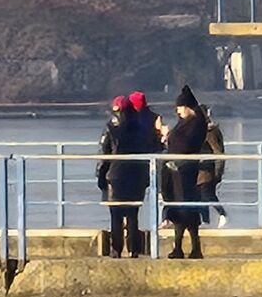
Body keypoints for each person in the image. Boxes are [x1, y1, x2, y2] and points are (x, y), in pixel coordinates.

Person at [96, 95, 160, 257]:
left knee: (115, 215)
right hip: (137, 174)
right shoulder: (141, 128)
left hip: (115, 175)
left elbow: (104, 155)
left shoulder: (110, 127)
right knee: (133, 214)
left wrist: (100, 176)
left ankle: (116, 249)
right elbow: (149, 149)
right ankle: (134, 249)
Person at [162, 85, 208, 259]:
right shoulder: (186, 122)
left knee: (185, 208)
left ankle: (191, 247)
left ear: (188, 107)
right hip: (178, 171)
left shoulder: (196, 123)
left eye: (180, 108)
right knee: (180, 208)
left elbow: (185, 144)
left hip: (185, 171)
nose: (178, 111)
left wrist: (168, 134)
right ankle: (182, 246)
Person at [196, 103, 228, 227]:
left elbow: (218, 152)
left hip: (207, 170)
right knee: (201, 196)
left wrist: (218, 172)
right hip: (200, 170)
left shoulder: (209, 131)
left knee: (207, 194)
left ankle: (222, 214)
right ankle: (205, 222)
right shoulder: (200, 131)